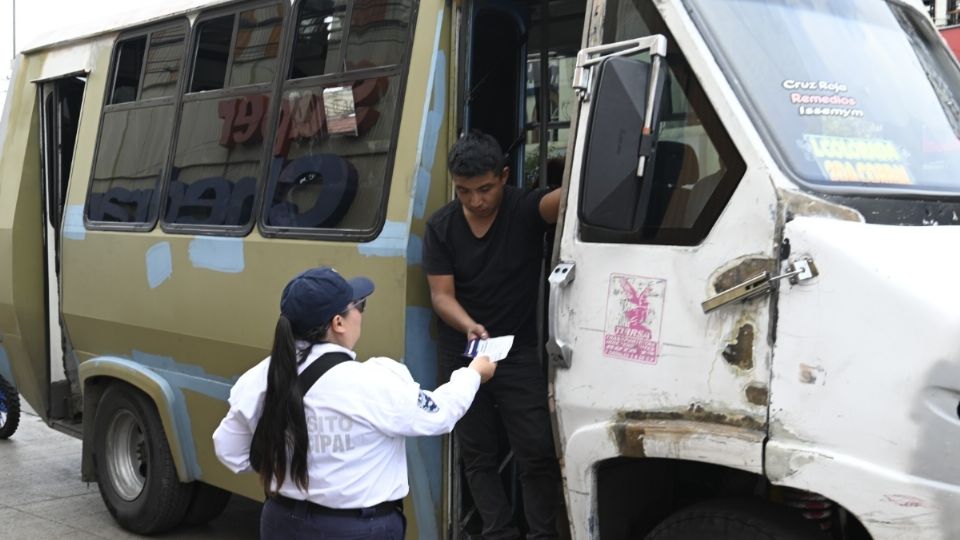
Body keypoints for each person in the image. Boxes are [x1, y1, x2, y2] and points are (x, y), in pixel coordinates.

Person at [212, 266, 497, 540]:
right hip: (357, 529)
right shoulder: (375, 379)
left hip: (282, 521)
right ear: (338, 323)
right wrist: (473, 374)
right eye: (359, 306)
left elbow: (229, 450)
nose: (361, 314)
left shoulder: (260, 377)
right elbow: (440, 415)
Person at [422, 130, 563, 539]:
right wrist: (467, 323)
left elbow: (568, 198)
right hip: (463, 352)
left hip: (516, 352)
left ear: (503, 176)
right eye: (464, 191)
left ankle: (542, 533)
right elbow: (441, 295)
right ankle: (498, 532)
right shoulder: (442, 226)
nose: (476, 201)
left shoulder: (524, 208)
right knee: (478, 454)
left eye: (484, 189)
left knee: (536, 451)